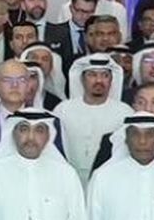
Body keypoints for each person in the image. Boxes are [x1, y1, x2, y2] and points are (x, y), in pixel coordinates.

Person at [53, 54, 130, 182]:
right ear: (82, 79)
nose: (99, 81)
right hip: (69, 178)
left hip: (110, 179)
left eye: (105, 75)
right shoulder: (63, 110)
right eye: (92, 75)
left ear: (112, 80)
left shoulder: (125, 112)